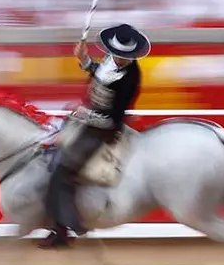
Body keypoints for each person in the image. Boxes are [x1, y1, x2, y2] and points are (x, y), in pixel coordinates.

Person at [39, 23, 149, 249]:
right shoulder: (111, 61)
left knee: (62, 171)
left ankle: (66, 228)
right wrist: (84, 59)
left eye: (123, 57)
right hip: (84, 119)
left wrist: (84, 114)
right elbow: (99, 74)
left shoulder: (131, 78)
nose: (118, 59)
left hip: (102, 130)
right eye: (116, 55)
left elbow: (113, 118)